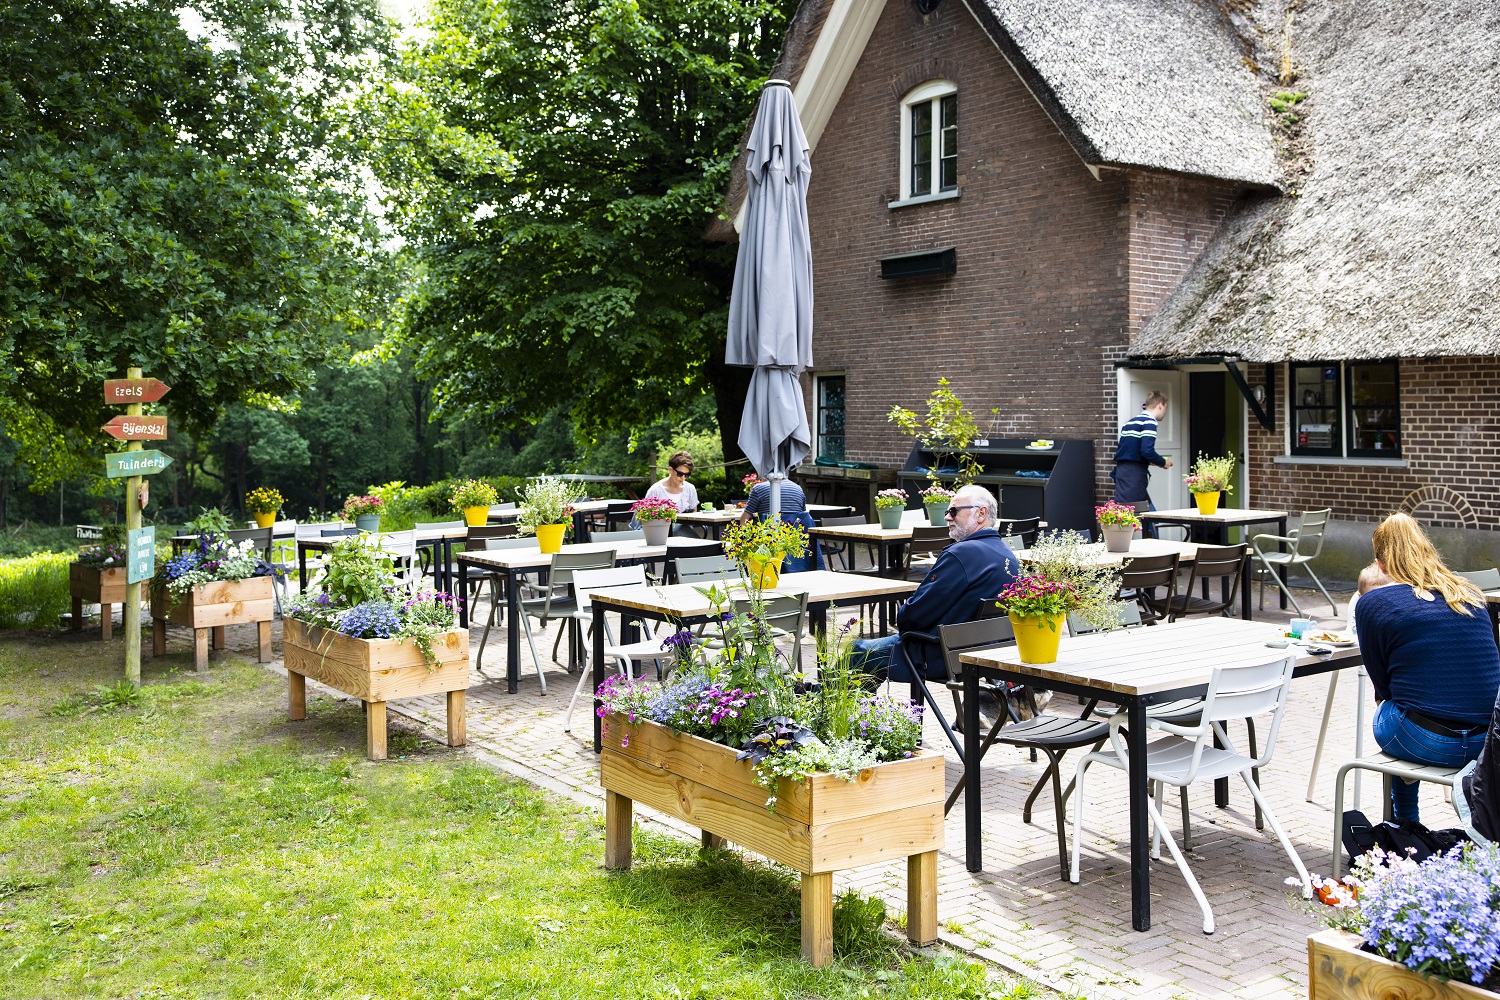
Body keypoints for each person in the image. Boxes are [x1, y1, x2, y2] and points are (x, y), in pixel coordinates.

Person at [1354, 513, 1500, 823]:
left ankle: (1406, 825)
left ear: (1380, 565)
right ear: (1427, 551)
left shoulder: (1374, 602)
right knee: (1411, 703)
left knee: (1392, 708)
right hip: (1485, 745)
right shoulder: (1470, 595)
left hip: (1424, 742)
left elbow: (1383, 687)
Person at [852, 484, 1017, 683]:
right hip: (983, 655)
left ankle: (822, 707)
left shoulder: (960, 554)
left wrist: (904, 614)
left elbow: (913, 616)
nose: (947, 517)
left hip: (939, 656)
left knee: (857, 651)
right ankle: (854, 711)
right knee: (873, 656)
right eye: (948, 511)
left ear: (981, 513)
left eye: (954, 511)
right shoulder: (1008, 556)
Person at [1111, 391, 1173, 508]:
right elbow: (1147, 451)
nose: (1165, 412)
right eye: (1166, 407)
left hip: (1123, 473)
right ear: (1160, 405)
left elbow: (1131, 453)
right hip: (1134, 476)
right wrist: (1163, 462)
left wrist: (1154, 462)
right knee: (1137, 515)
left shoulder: (1129, 423)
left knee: (1142, 512)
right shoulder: (1149, 422)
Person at [739, 468, 807, 523]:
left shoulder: (758, 489)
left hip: (766, 536)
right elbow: (803, 516)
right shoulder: (798, 489)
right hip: (794, 537)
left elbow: (744, 519)